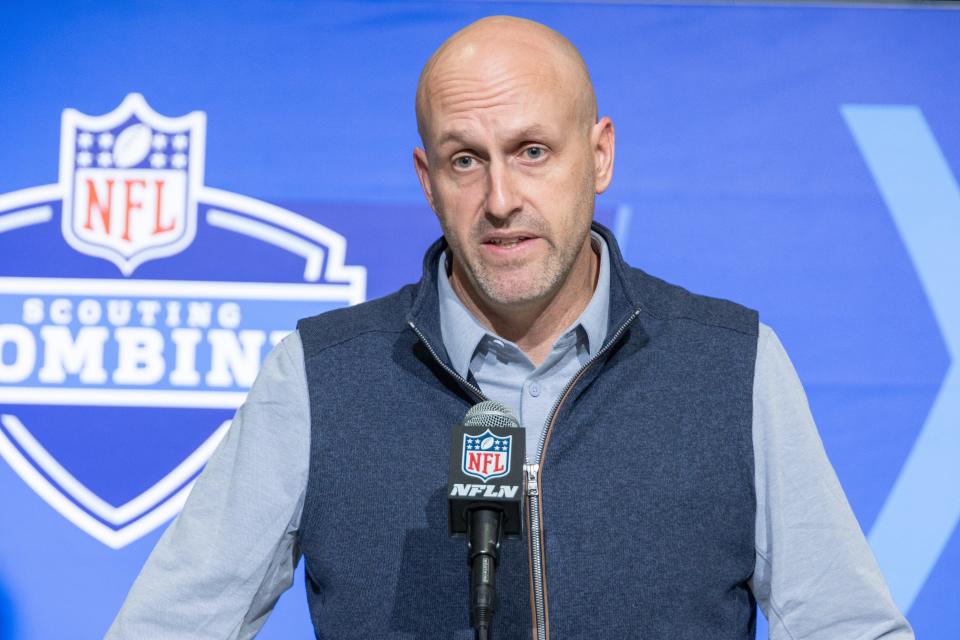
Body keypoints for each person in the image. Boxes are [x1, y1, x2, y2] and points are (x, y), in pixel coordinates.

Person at [107, 15, 913, 639]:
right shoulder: (320, 376)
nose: (500, 198)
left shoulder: (732, 363)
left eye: (532, 151)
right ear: (426, 179)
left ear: (599, 156)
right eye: (466, 160)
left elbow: (845, 623)